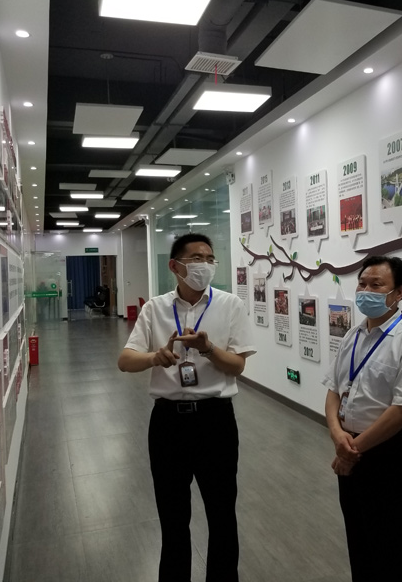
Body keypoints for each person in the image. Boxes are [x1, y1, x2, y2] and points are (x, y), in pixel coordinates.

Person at [117, 233, 255, 582]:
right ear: (174, 266)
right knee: (173, 517)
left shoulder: (230, 305)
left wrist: (208, 349)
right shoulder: (155, 308)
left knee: (222, 514)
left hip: (215, 421)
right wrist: (155, 357)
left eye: (209, 259)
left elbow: (238, 366)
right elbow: (125, 360)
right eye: (196, 258)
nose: (204, 265)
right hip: (168, 422)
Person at [322, 255, 402, 582]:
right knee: (361, 542)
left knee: (399, 548)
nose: (365, 291)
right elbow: (333, 389)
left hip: (391, 454)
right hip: (350, 448)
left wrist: (351, 450)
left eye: (376, 285)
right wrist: (337, 434)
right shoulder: (353, 336)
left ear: (398, 293)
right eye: (362, 283)